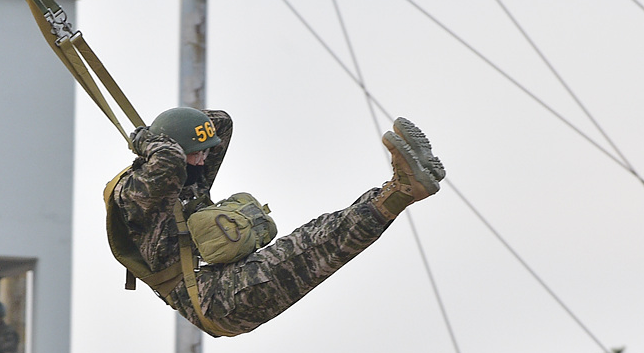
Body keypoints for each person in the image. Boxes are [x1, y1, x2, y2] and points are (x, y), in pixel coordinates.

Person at [107, 108, 445, 337]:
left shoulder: (184, 173)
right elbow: (167, 160)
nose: (205, 158)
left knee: (318, 231)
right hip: (214, 300)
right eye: (197, 151)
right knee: (317, 249)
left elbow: (220, 123)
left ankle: (400, 185)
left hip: (220, 277)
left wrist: (176, 130)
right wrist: (150, 141)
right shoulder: (140, 192)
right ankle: (403, 190)